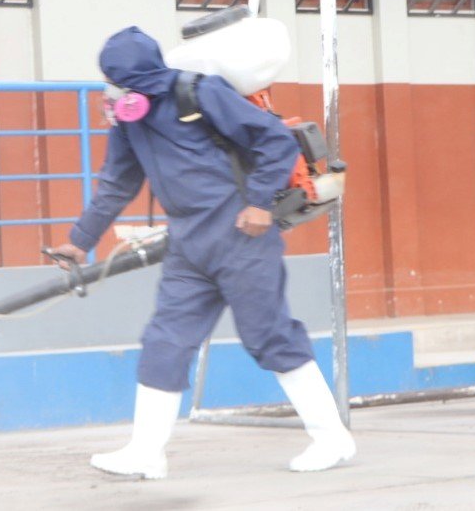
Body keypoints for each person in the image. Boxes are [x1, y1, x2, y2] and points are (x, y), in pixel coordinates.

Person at [50, 26, 355, 479]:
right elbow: (118, 183)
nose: (114, 93)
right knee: (164, 342)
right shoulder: (130, 120)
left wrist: (258, 203)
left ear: (140, 77)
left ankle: (332, 439)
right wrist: (79, 240)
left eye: (119, 82)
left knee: (269, 337)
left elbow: (273, 139)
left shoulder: (199, 93)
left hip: (241, 236)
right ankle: (146, 453)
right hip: (188, 245)